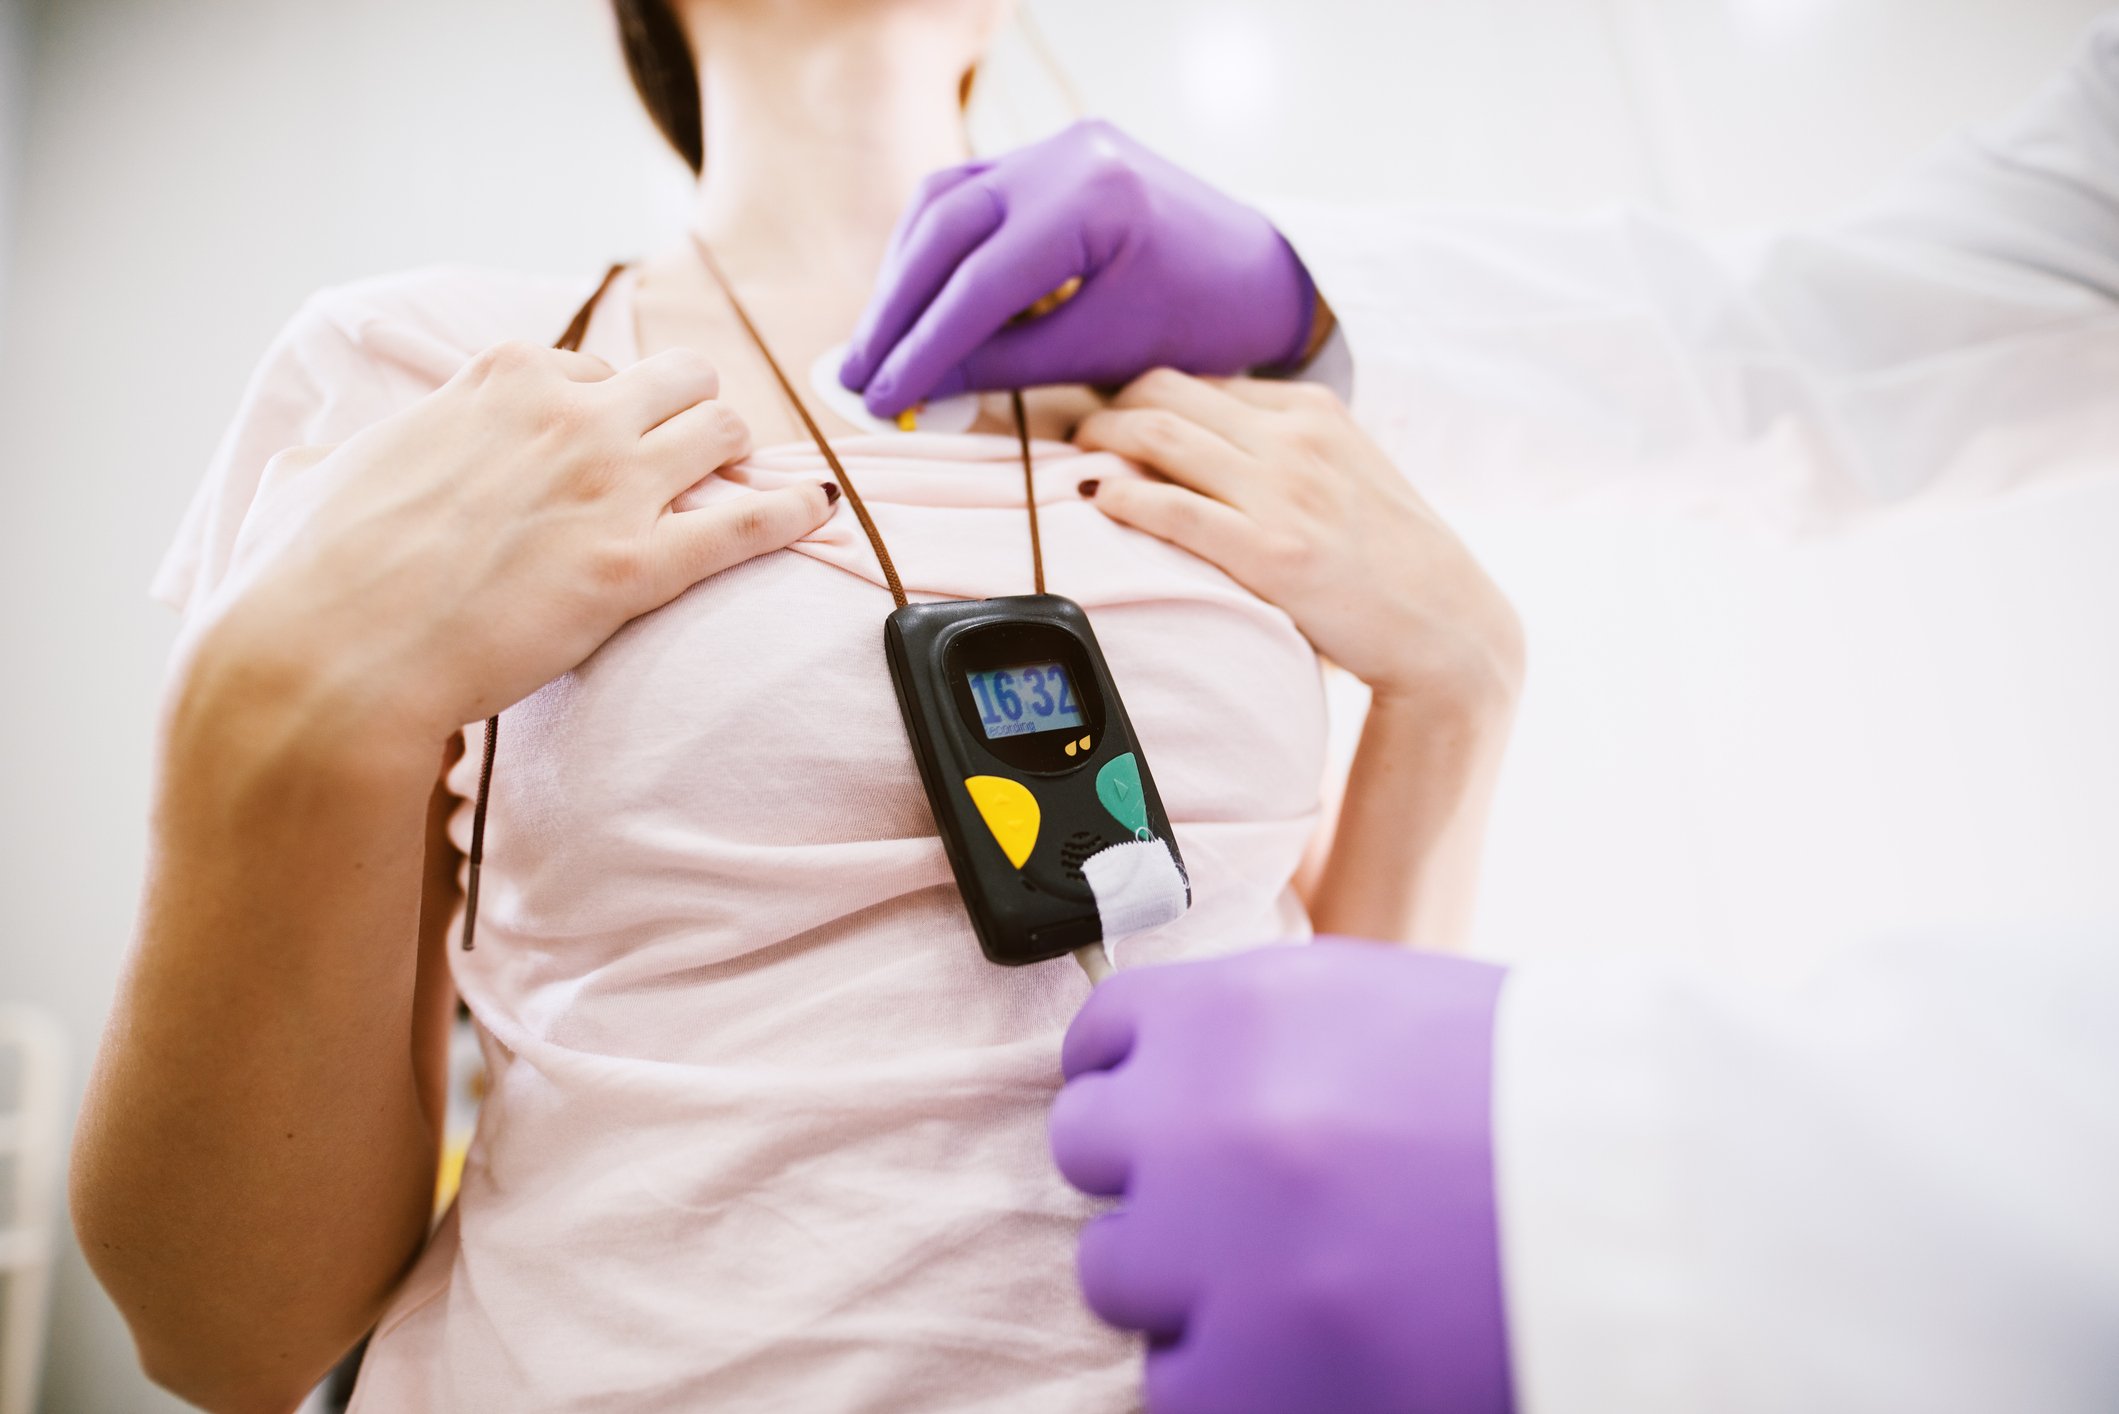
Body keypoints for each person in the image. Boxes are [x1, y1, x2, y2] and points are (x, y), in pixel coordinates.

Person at [67, 1, 1523, 1410]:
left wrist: (1463, 678)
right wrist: (268, 713)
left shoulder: (1237, 422)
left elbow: (1325, 1095)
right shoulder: (432, 373)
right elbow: (225, 1336)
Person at [839, 15, 2119, 1414]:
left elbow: (1327, 999)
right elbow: (1882, 312)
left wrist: (1462, 674)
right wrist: (1318, 302)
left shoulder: (1209, 430)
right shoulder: (563, 353)